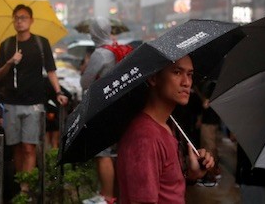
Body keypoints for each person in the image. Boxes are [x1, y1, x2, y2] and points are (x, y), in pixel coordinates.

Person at [116, 55, 216, 204]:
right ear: (153, 78)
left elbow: (166, 189)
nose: (186, 82)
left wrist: (192, 174)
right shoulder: (144, 137)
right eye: (177, 72)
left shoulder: (166, 125)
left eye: (190, 74)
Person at [0, 4, 68, 193]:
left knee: (29, 147)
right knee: (16, 147)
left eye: (24, 17)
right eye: (16, 17)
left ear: (31, 20)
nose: (20, 21)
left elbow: (51, 71)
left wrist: (58, 92)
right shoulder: (7, 45)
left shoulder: (41, 43)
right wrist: (11, 61)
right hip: (11, 102)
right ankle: (21, 185)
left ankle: (26, 189)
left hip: (34, 103)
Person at [80, 16, 121, 204]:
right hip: (117, 107)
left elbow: (85, 82)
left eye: (91, 29)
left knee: (102, 154)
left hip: (101, 108)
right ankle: (113, 193)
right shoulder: (117, 49)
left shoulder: (100, 54)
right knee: (112, 154)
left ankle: (107, 196)